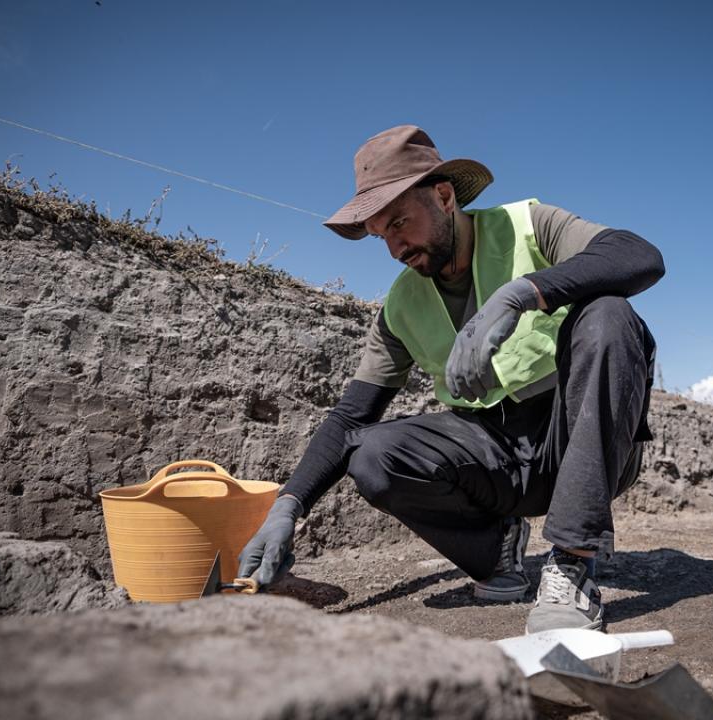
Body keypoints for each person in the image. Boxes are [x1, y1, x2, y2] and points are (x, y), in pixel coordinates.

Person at [238, 125, 664, 633]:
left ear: (443, 197)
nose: (395, 247)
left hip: (580, 444)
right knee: (370, 452)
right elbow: (352, 416)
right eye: (382, 235)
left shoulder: (528, 224)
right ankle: (496, 556)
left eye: (400, 222)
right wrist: (289, 504)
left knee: (610, 315)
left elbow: (638, 255)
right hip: (499, 460)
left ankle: (572, 561)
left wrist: (522, 294)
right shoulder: (401, 304)